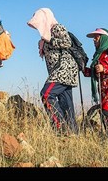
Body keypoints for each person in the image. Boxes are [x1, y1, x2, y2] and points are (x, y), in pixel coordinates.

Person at [27, 8, 79, 136]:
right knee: (66, 103)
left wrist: (49, 40)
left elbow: (67, 42)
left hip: (64, 70)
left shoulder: (57, 28)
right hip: (63, 72)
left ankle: (59, 127)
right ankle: (72, 134)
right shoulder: (46, 35)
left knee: (46, 94)